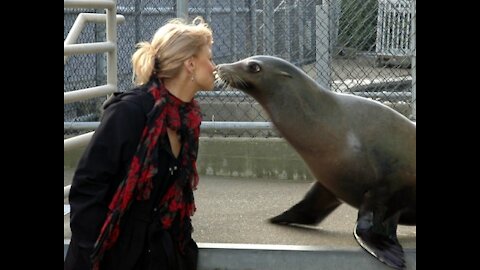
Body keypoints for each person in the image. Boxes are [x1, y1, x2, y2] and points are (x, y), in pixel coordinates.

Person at [64, 16, 216, 270]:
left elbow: (174, 203)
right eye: (209, 58)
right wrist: (99, 255)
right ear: (190, 64)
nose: (214, 67)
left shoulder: (186, 122)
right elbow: (87, 190)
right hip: (107, 258)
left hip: (154, 256)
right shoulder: (130, 112)